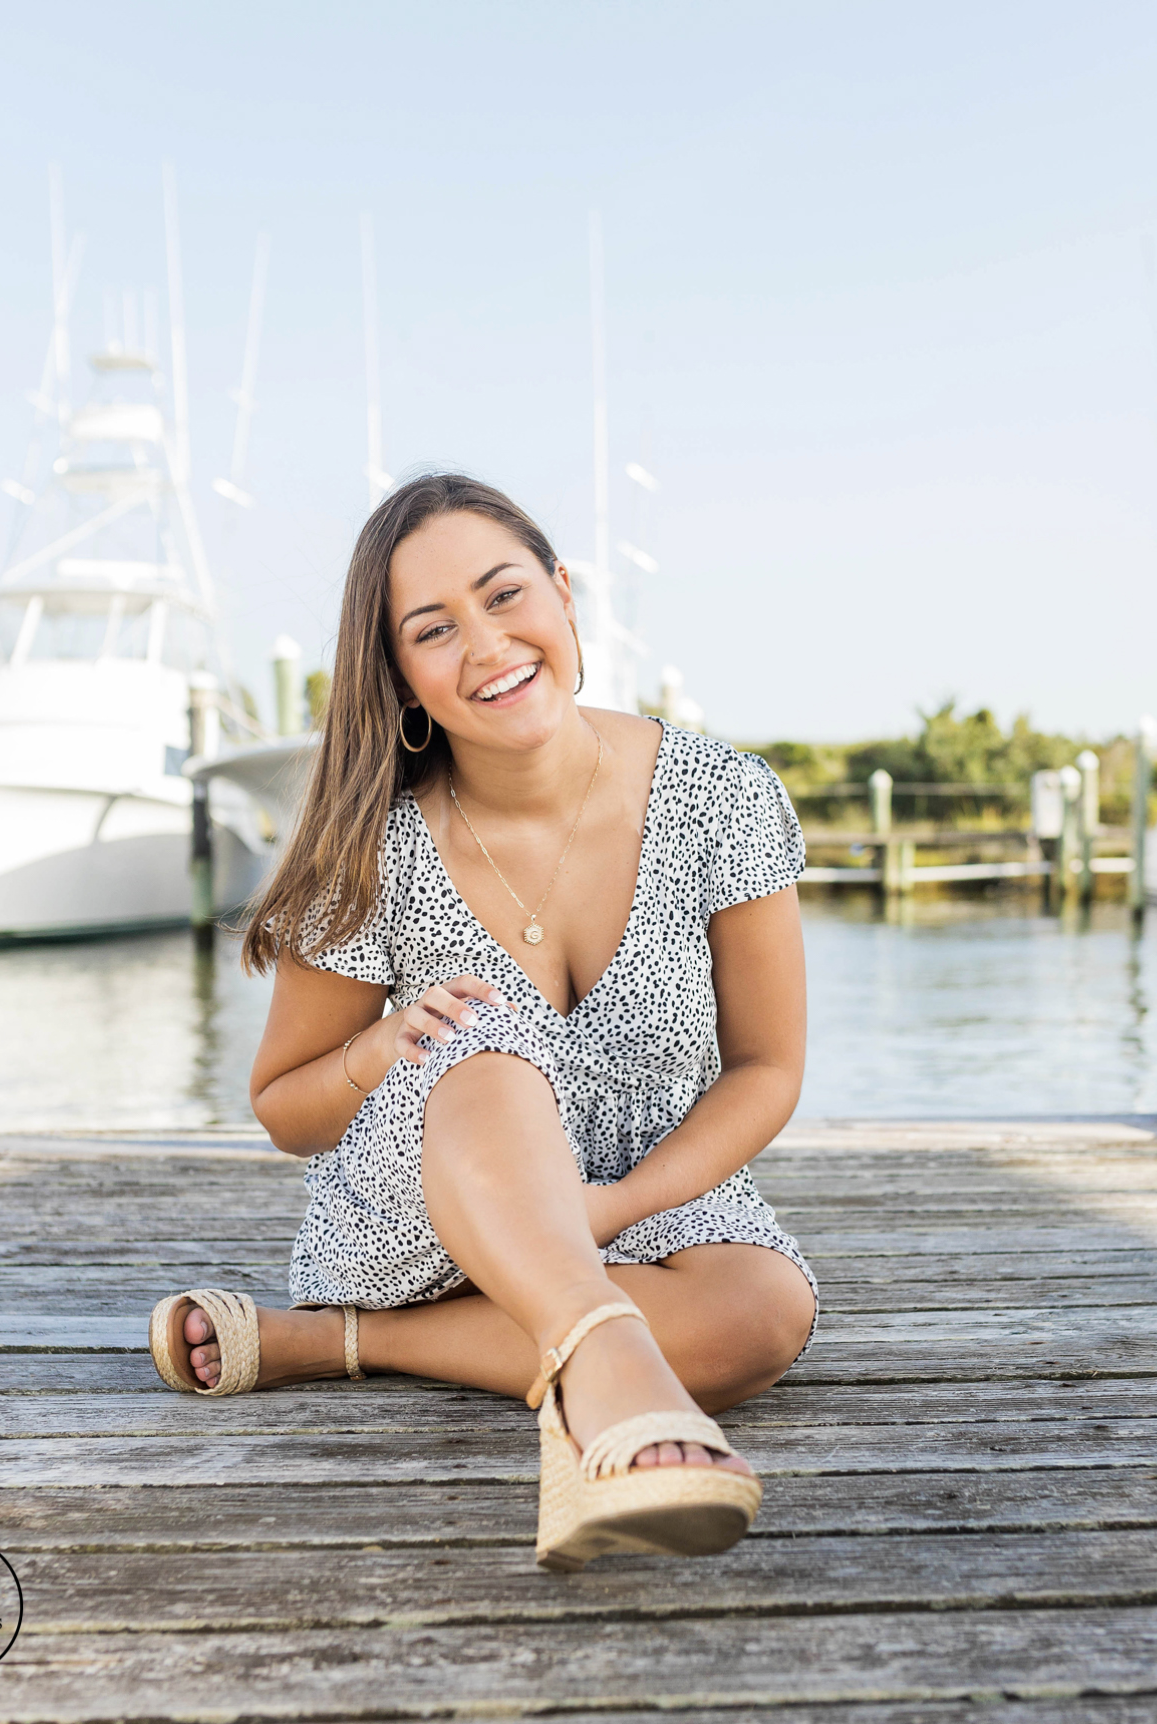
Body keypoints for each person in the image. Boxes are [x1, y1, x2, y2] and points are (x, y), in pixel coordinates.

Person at [147, 474, 817, 1571]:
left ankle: (339, 1344)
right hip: (422, 1207)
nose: (489, 643)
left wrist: (602, 1212)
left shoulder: (722, 794)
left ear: (563, 595)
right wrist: (376, 1045)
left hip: (641, 1187)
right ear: (401, 674)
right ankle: (606, 1375)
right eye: (434, 630)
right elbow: (285, 1111)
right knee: (487, 1036)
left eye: (507, 596)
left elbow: (768, 1068)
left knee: (764, 1313)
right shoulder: (369, 841)